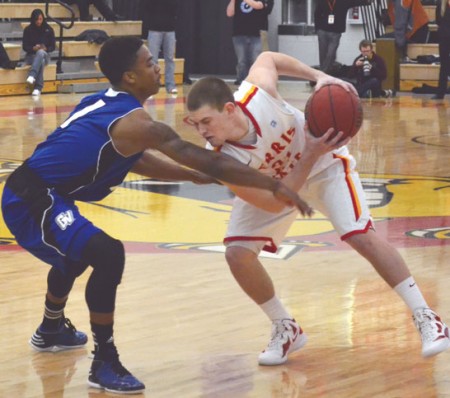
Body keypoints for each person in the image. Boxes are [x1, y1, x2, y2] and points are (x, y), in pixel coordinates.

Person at [1, 37, 311, 394]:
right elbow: (205, 157)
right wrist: (273, 185)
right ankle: (104, 361)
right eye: (150, 63)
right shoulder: (139, 124)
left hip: (43, 193)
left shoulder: (105, 104)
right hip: (32, 198)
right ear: (131, 76)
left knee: (77, 253)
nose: (158, 66)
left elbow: (134, 158)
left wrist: (191, 175)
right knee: (106, 253)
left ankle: (51, 329)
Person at [185, 51, 450, 366]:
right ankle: (286, 327)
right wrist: (307, 153)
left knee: (359, 235)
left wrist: (319, 77)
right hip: (280, 186)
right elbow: (273, 202)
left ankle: (427, 317)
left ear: (229, 109)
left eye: (206, 121)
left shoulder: (258, 94)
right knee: (237, 253)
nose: (201, 131)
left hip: (324, 166)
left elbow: (268, 58)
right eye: (195, 124)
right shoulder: (220, 159)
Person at [314, 0, 372, 74]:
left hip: (336, 32)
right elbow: (316, 14)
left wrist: (367, 2)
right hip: (323, 31)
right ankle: (325, 71)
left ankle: (323, 73)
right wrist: (317, 29)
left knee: (331, 53)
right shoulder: (322, 1)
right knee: (323, 53)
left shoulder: (343, 1)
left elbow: (355, 2)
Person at [226, 0, 273, 85]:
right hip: (239, 33)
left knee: (256, 59)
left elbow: (258, 5)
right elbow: (229, 13)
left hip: (256, 33)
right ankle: (241, 80)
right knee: (242, 60)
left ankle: (257, 80)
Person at [141, 0, 179, 94]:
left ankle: (170, 85)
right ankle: (152, 86)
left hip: (170, 29)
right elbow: (147, 7)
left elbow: (175, 7)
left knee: (169, 59)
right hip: (154, 29)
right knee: (153, 59)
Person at [22, 9, 55, 97]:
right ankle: (38, 88)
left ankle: (32, 75)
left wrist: (46, 48)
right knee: (41, 61)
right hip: (31, 56)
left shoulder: (49, 29)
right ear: (33, 19)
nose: (39, 21)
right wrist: (33, 48)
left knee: (41, 53)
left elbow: (53, 46)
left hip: (45, 54)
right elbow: (25, 47)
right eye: (37, 19)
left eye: (40, 19)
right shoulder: (28, 30)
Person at [431, 0, 450, 100]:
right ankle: (440, 93)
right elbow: (438, 21)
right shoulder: (440, 3)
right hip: (444, 38)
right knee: (444, 65)